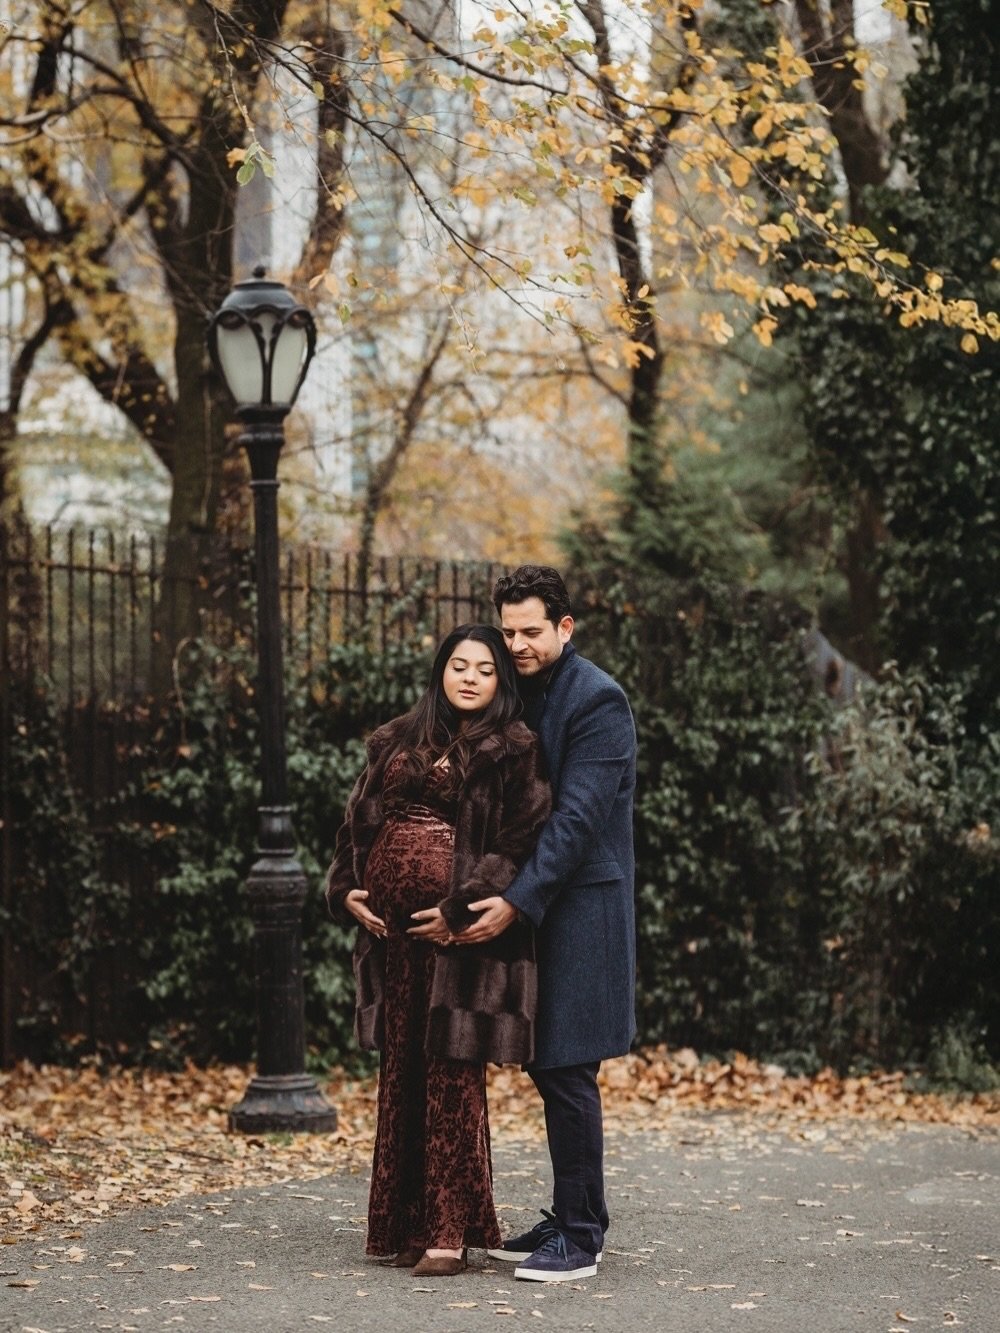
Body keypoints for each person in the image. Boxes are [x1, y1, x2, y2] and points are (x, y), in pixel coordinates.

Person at [324, 624, 551, 1278]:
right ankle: (402, 1225)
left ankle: (449, 1233)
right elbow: (355, 826)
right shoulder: (396, 738)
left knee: (451, 1073)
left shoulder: (514, 749)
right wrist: (346, 892)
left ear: (500, 681)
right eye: (460, 664)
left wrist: (459, 909)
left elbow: (517, 841)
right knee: (403, 1074)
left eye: (485, 667)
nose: (471, 676)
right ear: (441, 671)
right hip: (391, 940)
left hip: (460, 942)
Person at [454, 566, 637, 1283]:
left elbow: (576, 822)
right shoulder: (520, 690)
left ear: (565, 627)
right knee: (547, 1061)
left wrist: (514, 901)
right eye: (508, 631)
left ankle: (583, 1237)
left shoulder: (598, 700)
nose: (517, 644)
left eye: (531, 631)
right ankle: (569, 1215)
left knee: (567, 1066)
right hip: (540, 904)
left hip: (583, 908)